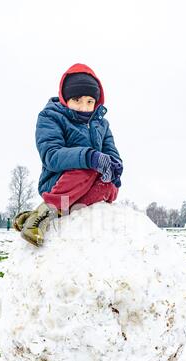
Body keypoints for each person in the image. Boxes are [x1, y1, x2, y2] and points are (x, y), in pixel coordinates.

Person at [14, 63, 123, 247]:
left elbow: (111, 151)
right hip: (59, 181)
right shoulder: (50, 117)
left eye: (90, 102)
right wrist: (90, 158)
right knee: (86, 170)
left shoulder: (102, 124)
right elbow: (51, 155)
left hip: (86, 186)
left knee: (109, 187)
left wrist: (115, 166)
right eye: (77, 100)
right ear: (66, 99)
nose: (84, 107)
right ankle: (39, 218)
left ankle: (56, 213)